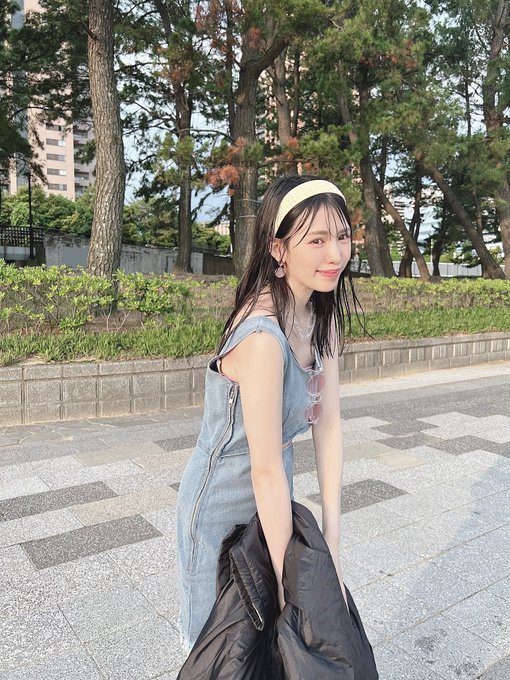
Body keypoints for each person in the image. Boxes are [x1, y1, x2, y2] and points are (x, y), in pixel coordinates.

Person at [175, 175, 359, 656]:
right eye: (316, 240)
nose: (335, 254)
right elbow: (263, 469)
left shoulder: (321, 319)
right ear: (279, 249)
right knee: (223, 651)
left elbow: (329, 426)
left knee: (272, 650)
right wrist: (284, 583)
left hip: (274, 494)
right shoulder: (262, 337)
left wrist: (333, 542)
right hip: (223, 502)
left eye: (342, 236)